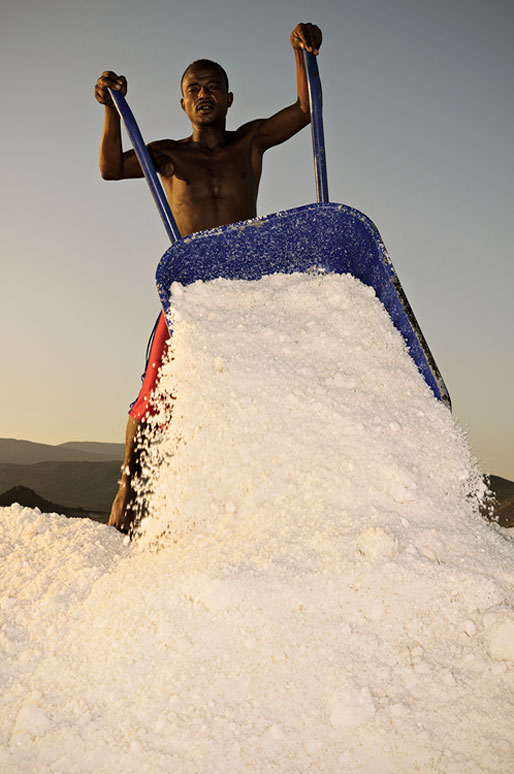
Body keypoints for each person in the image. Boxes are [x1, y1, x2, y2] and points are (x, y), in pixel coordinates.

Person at [95, 22, 322, 533]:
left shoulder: (249, 143)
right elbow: (110, 168)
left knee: (265, 391)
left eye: (212, 86)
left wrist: (301, 53)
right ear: (182, 103)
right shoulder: (171, 156)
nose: (204, 94)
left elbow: (305, 112)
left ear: (229, 97)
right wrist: (111, 108)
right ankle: (128, 496)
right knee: (155, 393)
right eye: (193, 89)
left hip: (248, 286)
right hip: (191, 291)